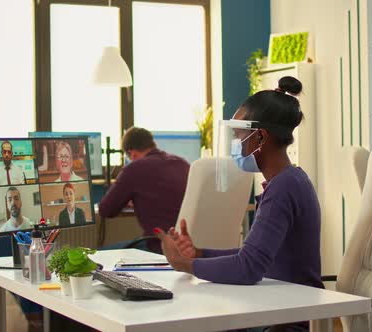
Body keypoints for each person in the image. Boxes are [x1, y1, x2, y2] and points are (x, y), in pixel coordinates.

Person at [154, 77, 323, 332]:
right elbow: (252, 256)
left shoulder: (283, 187)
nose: (235, 142)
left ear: (260, 138)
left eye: (238, 134)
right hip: (274, 310)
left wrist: (185, 265)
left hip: (283, 323)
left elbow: (248, 268)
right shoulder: (288, 181)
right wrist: (199, 254)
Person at [99, 127, 190, 253]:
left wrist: (129, 198)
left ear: (132, 153)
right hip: (187, 246)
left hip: (158, 246)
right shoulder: (182, 164)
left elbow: (106, 210)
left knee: (100, 253)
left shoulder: (134, 169)